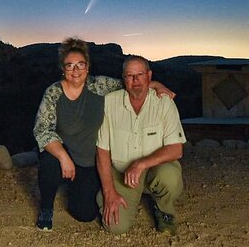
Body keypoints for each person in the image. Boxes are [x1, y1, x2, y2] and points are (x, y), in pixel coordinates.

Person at [32, 38, 175, 231]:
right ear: (63, 69)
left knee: (85, 214)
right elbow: (42, 129)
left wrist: (155, 84)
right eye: (70, 65)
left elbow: (130, 85)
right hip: (62, 153)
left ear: (87, 67)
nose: (76, 70)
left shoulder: (99, 86)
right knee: (49, 161)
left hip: (88, 161)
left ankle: (73, 188)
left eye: (80, 64)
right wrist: (63, 156)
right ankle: (46, 208)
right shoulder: (53, 93)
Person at [96, 55, 186, 235]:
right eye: (130, 75)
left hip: (155, 169)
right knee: (116, 227)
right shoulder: (109, 103)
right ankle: (127, 196)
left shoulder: (164, 102)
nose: (135, 80)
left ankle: (164, 210)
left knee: (169, 178)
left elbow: (176, 149)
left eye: (140, 74)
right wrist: (109, 192)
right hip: (122, 173)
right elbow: (102, 151)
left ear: (149, 75)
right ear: (123, 79)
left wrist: (141, 164)